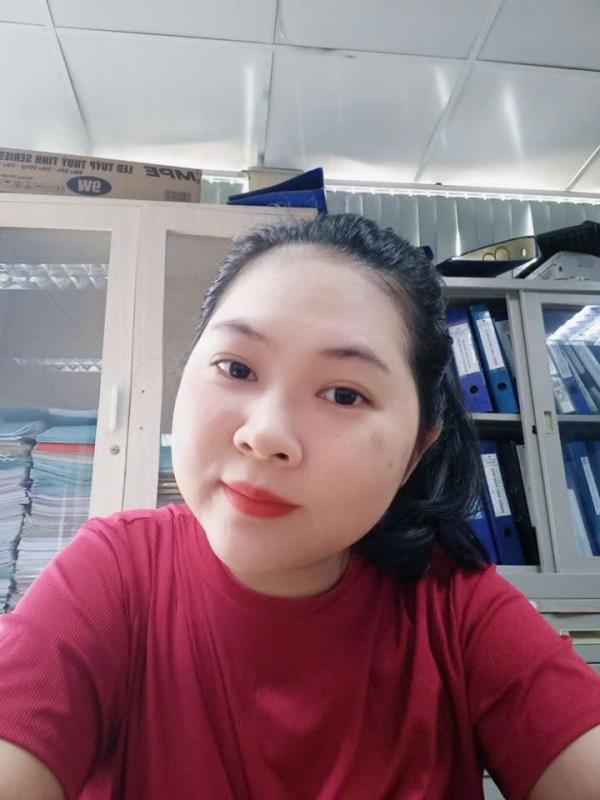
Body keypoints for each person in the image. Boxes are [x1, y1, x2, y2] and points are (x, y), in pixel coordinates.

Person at [1, 212, 599, 800]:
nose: (265, 435)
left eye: (344, 394)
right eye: (237, 367)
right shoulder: (113, 576)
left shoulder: (455, 608)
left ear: (415, 452)